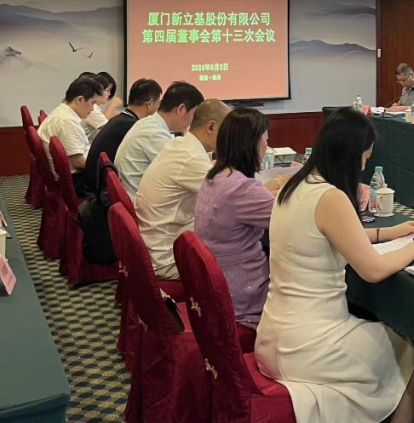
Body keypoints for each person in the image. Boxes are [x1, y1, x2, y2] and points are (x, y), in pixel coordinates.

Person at [256, 108, 414, 423]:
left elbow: (327, 234)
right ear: (350, 154)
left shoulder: (294, 185)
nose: (363, 166)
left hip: (272, 336)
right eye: (364, 157)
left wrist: (389, 233)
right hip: (308, 346)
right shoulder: (331, 197)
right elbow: (372, 270)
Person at [194, 108, 288, 330]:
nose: (267, 146)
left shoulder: (217, 175)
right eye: (265, 139)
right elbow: (292, 220)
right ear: (251, 144)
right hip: (243, 293)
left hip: (215, 284)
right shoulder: (243, 188)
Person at [136, 99, 230, 280]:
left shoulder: (180, 145)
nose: (229, 138)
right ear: (211, 127)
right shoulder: (190, 157)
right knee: (244, 254)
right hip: (168, 258)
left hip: (161, 242)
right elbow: (231, 197)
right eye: (227, 131)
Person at [116, 81, 204, 198]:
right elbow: (187, 170)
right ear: (181, 109)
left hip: (135, 194)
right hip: (140, 201)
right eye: (194, 114)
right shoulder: (154, 133)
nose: (192, 121)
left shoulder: (148, 123)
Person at [84, 78, 162, 193]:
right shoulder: (132, 127)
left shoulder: (120, 120)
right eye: (158, 103)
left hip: (95, 184)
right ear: (149, 104)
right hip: (99, 192)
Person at [38, 75, 106, 196]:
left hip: (71, 176)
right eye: (92, 103)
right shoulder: (67, 122)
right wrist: (104, 168)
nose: (92, 109)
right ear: (80, 100)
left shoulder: (61, 113)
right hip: (77, 181)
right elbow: (78, 162)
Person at [81, 71, 124, 142]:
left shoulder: (96, 107)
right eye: (108, 90)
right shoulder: (91, 109)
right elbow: (109, 130)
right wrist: (112, 105)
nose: (109, 94)